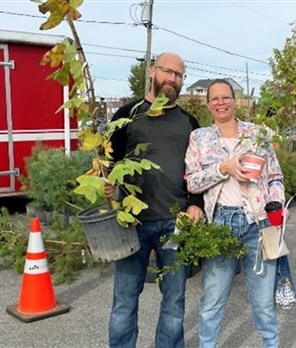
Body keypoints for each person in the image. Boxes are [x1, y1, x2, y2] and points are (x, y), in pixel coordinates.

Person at [105, 52, 204, 348]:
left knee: (174, 300)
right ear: (152, 71)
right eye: (167, 71)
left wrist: (195, 202)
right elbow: (109, 162)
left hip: (176, 222)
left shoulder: (190, 122)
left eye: (178, 75)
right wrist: (109, 185)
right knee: (124, 300)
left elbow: (197, 170)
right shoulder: (127, 115)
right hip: (131, 223)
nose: (172, 79)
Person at [184, 79, 285, 348]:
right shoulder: (199, 138)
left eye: (225, 97)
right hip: (220, 225)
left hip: (259, 223)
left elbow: (275, 175)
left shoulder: (258, 133)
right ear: (208, 105)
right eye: (214, 99)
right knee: (212, 299)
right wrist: (223, 168)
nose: (221, 103)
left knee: (263, 301)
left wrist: (276, 203)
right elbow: (192, 182)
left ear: (234, 100)